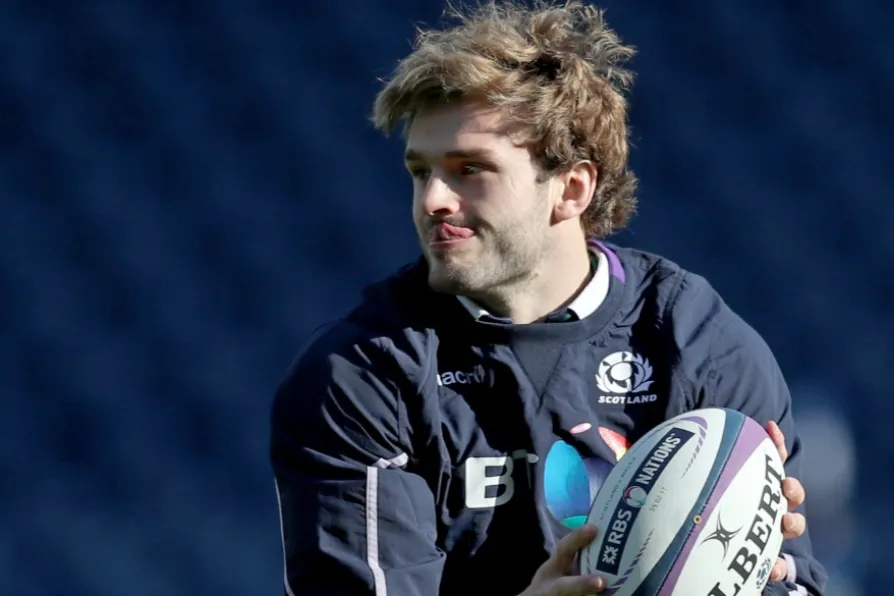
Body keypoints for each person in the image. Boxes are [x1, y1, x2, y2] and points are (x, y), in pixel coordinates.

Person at [269, 1, 828, 594]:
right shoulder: (361, 375)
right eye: (420, 171)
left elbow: (795, 582)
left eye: (470, 169)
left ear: (572, 188)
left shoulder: (697, 344)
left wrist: (762, 573)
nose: (432, 200)